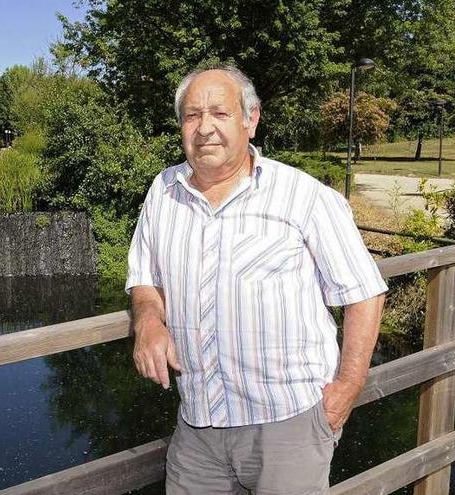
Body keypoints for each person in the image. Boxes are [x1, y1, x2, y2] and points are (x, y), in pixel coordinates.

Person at [125, 64, 387, 494]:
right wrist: (149, 320)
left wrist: (346, 389)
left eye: (219, 113)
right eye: (192, 115)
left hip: (288, 426)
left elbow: (365, 293)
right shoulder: (163, 191)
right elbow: (144, 277)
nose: (205, 127)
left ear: (251, 119)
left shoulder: (303, 196)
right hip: (198, 426)